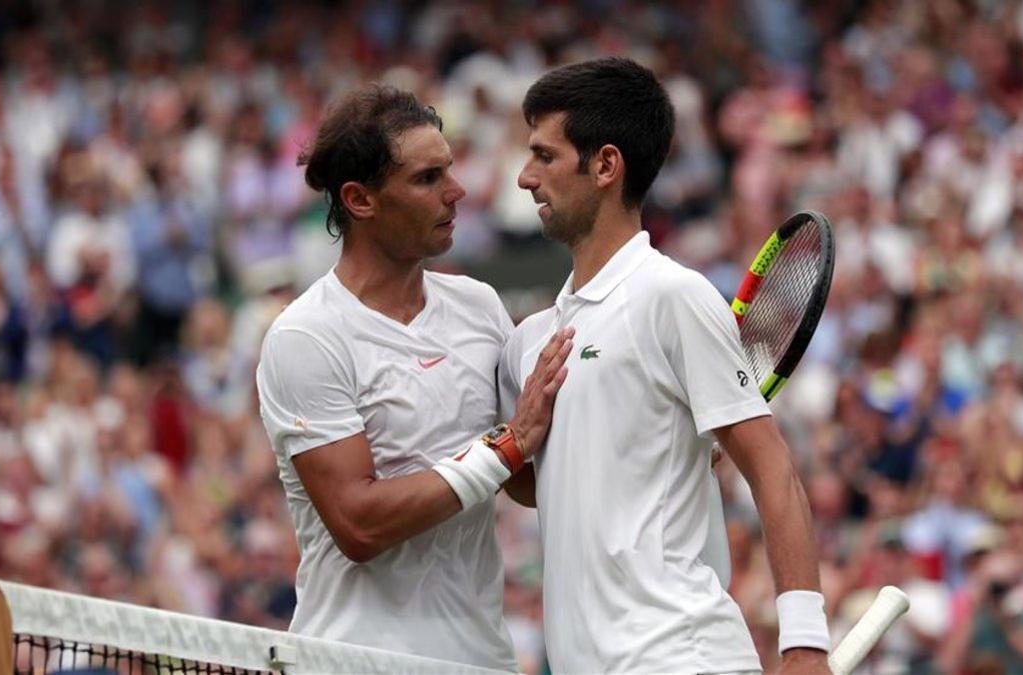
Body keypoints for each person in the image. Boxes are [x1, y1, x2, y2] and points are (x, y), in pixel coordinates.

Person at [498, 58, 831, 674]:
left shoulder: (670, 296)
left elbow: (772, 469)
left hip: (681, 656)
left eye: (544, 157)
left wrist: (805, 646)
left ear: (604, 165)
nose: (524, 178)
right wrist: (515, 441)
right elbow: (537, 487)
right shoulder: (529, 343)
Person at [255, 85, 570, 670]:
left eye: (448, 170)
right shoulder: (305, 337)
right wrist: (504, 448)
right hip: (353, 662)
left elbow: (523, 482)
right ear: (360, 199)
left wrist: (650, 445)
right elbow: (360, 524)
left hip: (479, 661)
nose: (456, 192)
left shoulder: (479, 306)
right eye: (427, 179)